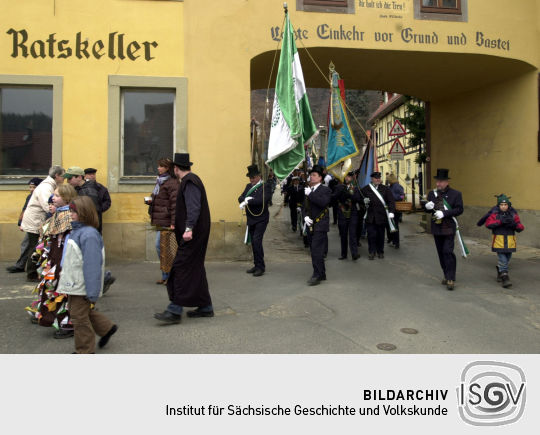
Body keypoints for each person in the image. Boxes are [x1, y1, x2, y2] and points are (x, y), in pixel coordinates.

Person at [154, 153, 213, 324]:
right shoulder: (191, 180)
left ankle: (174, 310)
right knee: (195, 268)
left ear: (176, 168)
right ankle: (205, 306)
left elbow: (193, 207)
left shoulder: (189, 182)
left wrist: (188, 228)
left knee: (180, 268)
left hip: (192, 236)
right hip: (195, 234)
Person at [57, 196, 118, 353]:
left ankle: (84, 350)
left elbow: (92, 266)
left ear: (84, 212)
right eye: (70, 210)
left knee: (79, 318)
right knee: (82, 312)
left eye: (74, 211)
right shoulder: (78, 231)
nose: (70, 214)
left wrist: (91, 292)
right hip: (76, 284)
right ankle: (106, 328)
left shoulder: (88, 235)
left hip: (81, 285)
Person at [25, 184, 78, 338]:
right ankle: (51, 317)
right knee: (51, 289)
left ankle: (68, 323)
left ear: (67, 197)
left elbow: (68, 240)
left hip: (63, 259)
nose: (53, 198)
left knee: (64, 291)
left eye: (57, 195)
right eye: (54, 195)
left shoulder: (69, 215)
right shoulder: (57, 214)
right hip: (53, 259)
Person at [21, 165, 65, 281]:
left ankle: (34, 272)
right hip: (35, 220)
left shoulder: (50, 185)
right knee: (34, 246)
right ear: (57, 176)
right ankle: (31, 274)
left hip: (37, 219)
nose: (64, 179)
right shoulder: (46, 187)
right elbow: (48, 205)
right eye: (63, 176)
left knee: (35, 246)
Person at [424, 168, 463, 291]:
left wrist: (445, 213)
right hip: (437, 227)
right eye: (437, 181)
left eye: (440, 181)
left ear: (446, 182)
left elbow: (459, 209)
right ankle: (446, 274)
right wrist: (427, 207)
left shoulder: (456, 194)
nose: (438, 184)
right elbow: (428, 210)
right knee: (441, 253)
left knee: (448, 251)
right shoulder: (432, 194)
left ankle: (451, 278)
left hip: (449, 227)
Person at [146, 158, 178, 284]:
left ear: (167, 168)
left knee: (161, 246)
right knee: (164, 248)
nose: (158, 168)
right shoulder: (160, 181)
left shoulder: (172, 183)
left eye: (161, 166)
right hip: (161, 219)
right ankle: (166, 275)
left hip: (167, 221)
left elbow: (175, 204)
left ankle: (170, 274)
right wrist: (150, 201)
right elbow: (158, 198)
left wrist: (173, 222)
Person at [484, 194, 524, 288]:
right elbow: (488, 224)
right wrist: (499, 222)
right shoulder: (494, 215)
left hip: (510, 242)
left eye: (505, 205)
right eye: (501, 204)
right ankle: (505, 278)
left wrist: (514, 225)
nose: (503, 206)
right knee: (503, 259)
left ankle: (500, 270)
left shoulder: (513, 215)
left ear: (508, 205)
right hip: (499, 241)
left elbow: (520, 227)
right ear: (498, 205)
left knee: (507, 258)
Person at [239, 164, 272, 277]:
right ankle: (256, 264)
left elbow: (262, 200)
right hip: (251, 218)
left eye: (253, 177)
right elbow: (240, 197)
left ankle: (261, 267)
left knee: (257, 241)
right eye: (250, 177)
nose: (251, 179)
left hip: (261, 218)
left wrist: (248, 201)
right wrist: (244, 199)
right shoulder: (248, 186)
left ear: (259, 176)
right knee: (253, 242)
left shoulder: (265, 186)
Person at [7, 177, 42, 273]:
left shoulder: (40, 196)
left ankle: (24, 266)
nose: (31, 189)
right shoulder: (29, 196)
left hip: (36, 224)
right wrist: (20, 222)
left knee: (30, 246)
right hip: (30, 224)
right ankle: (21, 265)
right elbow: (25, 209)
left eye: (34, 187)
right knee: (26, 244)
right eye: (30, 187)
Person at [304, 165, 332, 286]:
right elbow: (305, 206)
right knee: (314, 250)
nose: (311, 176)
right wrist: (304, 216)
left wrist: (310, 194)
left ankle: (317, 275)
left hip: (321, 224)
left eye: (314, 175)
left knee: (316, 250)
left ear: (320, 178)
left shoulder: (325, 190)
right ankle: (322, 273)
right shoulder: (308, 189)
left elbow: (323, 203)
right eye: (311, 175)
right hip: (310, 224)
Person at [361, 171, 396, 260]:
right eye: (376, 178)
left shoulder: (385, 189)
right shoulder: (366, 189)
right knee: (371, 235)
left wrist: (391, 211)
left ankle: (380, 251)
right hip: (370, 216)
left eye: (379, 178)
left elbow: (391, 201)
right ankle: (371, 252)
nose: (378, 179)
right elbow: (359, 199)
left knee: (380, 235)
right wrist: (363, 202)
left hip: (381, 216)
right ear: (372, 179)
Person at [333, 172, 361, 261]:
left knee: (352, 234)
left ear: (352, 178)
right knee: (343, 235)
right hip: (342, 213)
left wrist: (350, 195)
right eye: (346, 176)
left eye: (349, 177)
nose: (347, 178)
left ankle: (354, 254)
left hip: (352, 214)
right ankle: (344, 254)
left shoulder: (356, 188)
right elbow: (334, 198)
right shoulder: (339, 187)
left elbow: (357, 199)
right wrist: (341, 193)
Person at [388, 174, 405, 249]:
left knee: (395, 226)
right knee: (393, 226)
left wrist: (394, 197)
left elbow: (402, 196)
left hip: (396, 208)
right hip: (392, 208)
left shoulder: (397, 186)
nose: (387, 181)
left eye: (388, 180)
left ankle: (396, 242)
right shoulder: (391, 186)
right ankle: (394, 241)